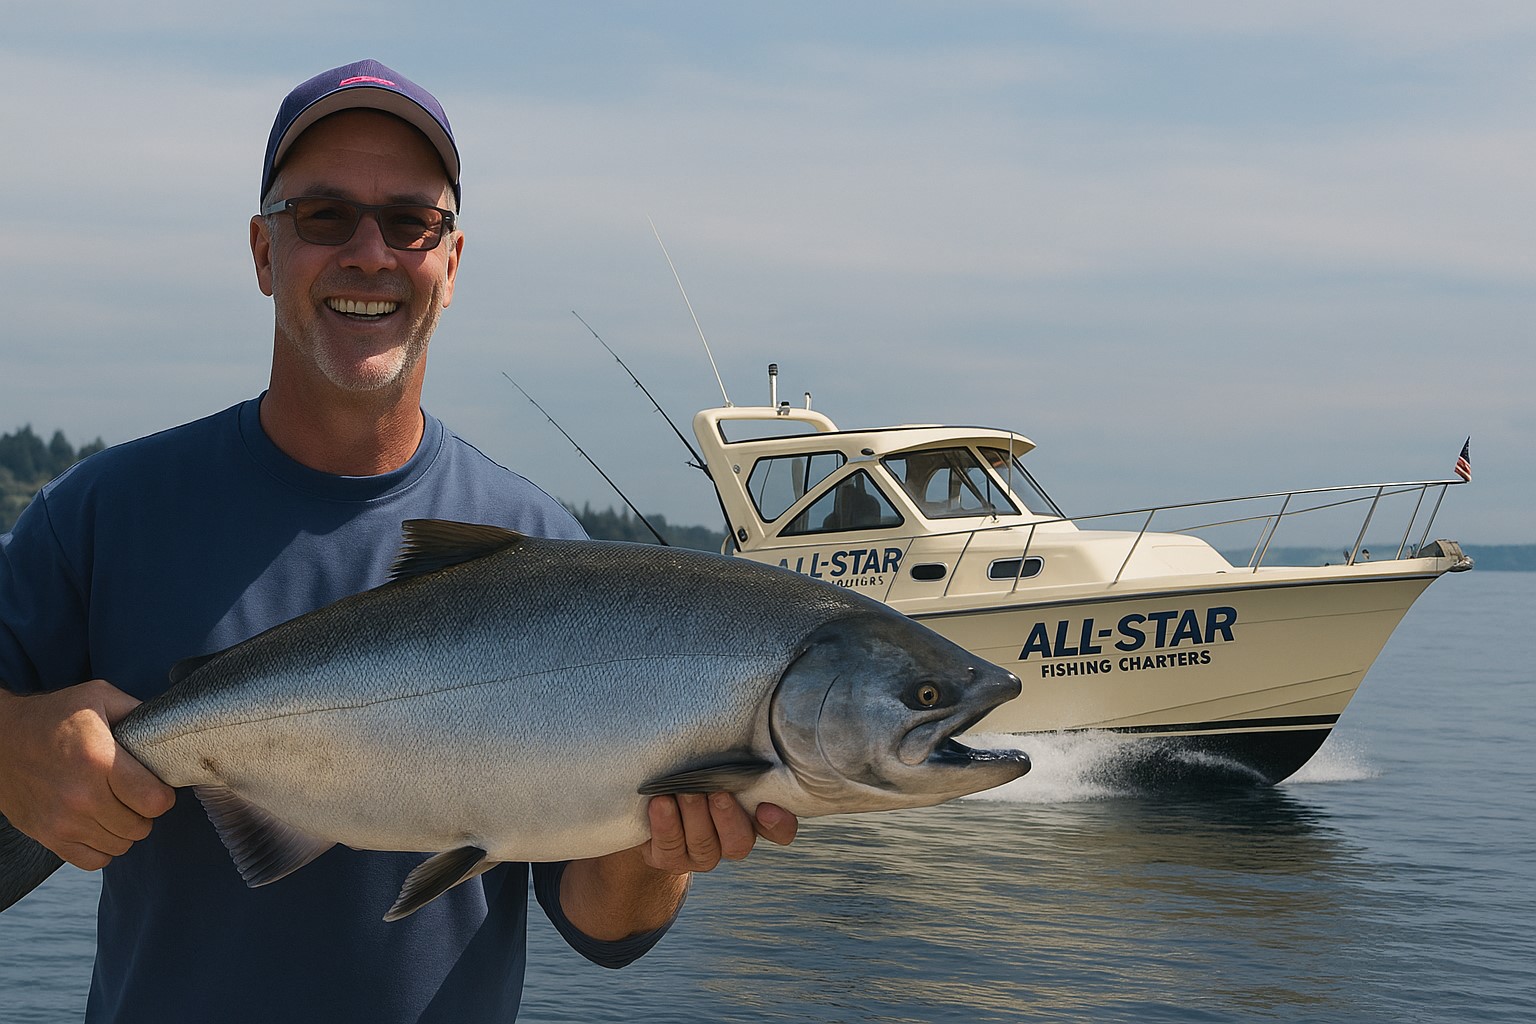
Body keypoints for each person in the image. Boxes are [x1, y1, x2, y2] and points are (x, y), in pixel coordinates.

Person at [0, 59, 797, 1022]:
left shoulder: (546, 551)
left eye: (410, 223)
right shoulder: (101, 514)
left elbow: (600, 927)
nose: (370, 253)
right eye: (325, 216)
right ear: (262, 253)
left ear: (450, 263)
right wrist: (11, 745)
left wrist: (662, 847)